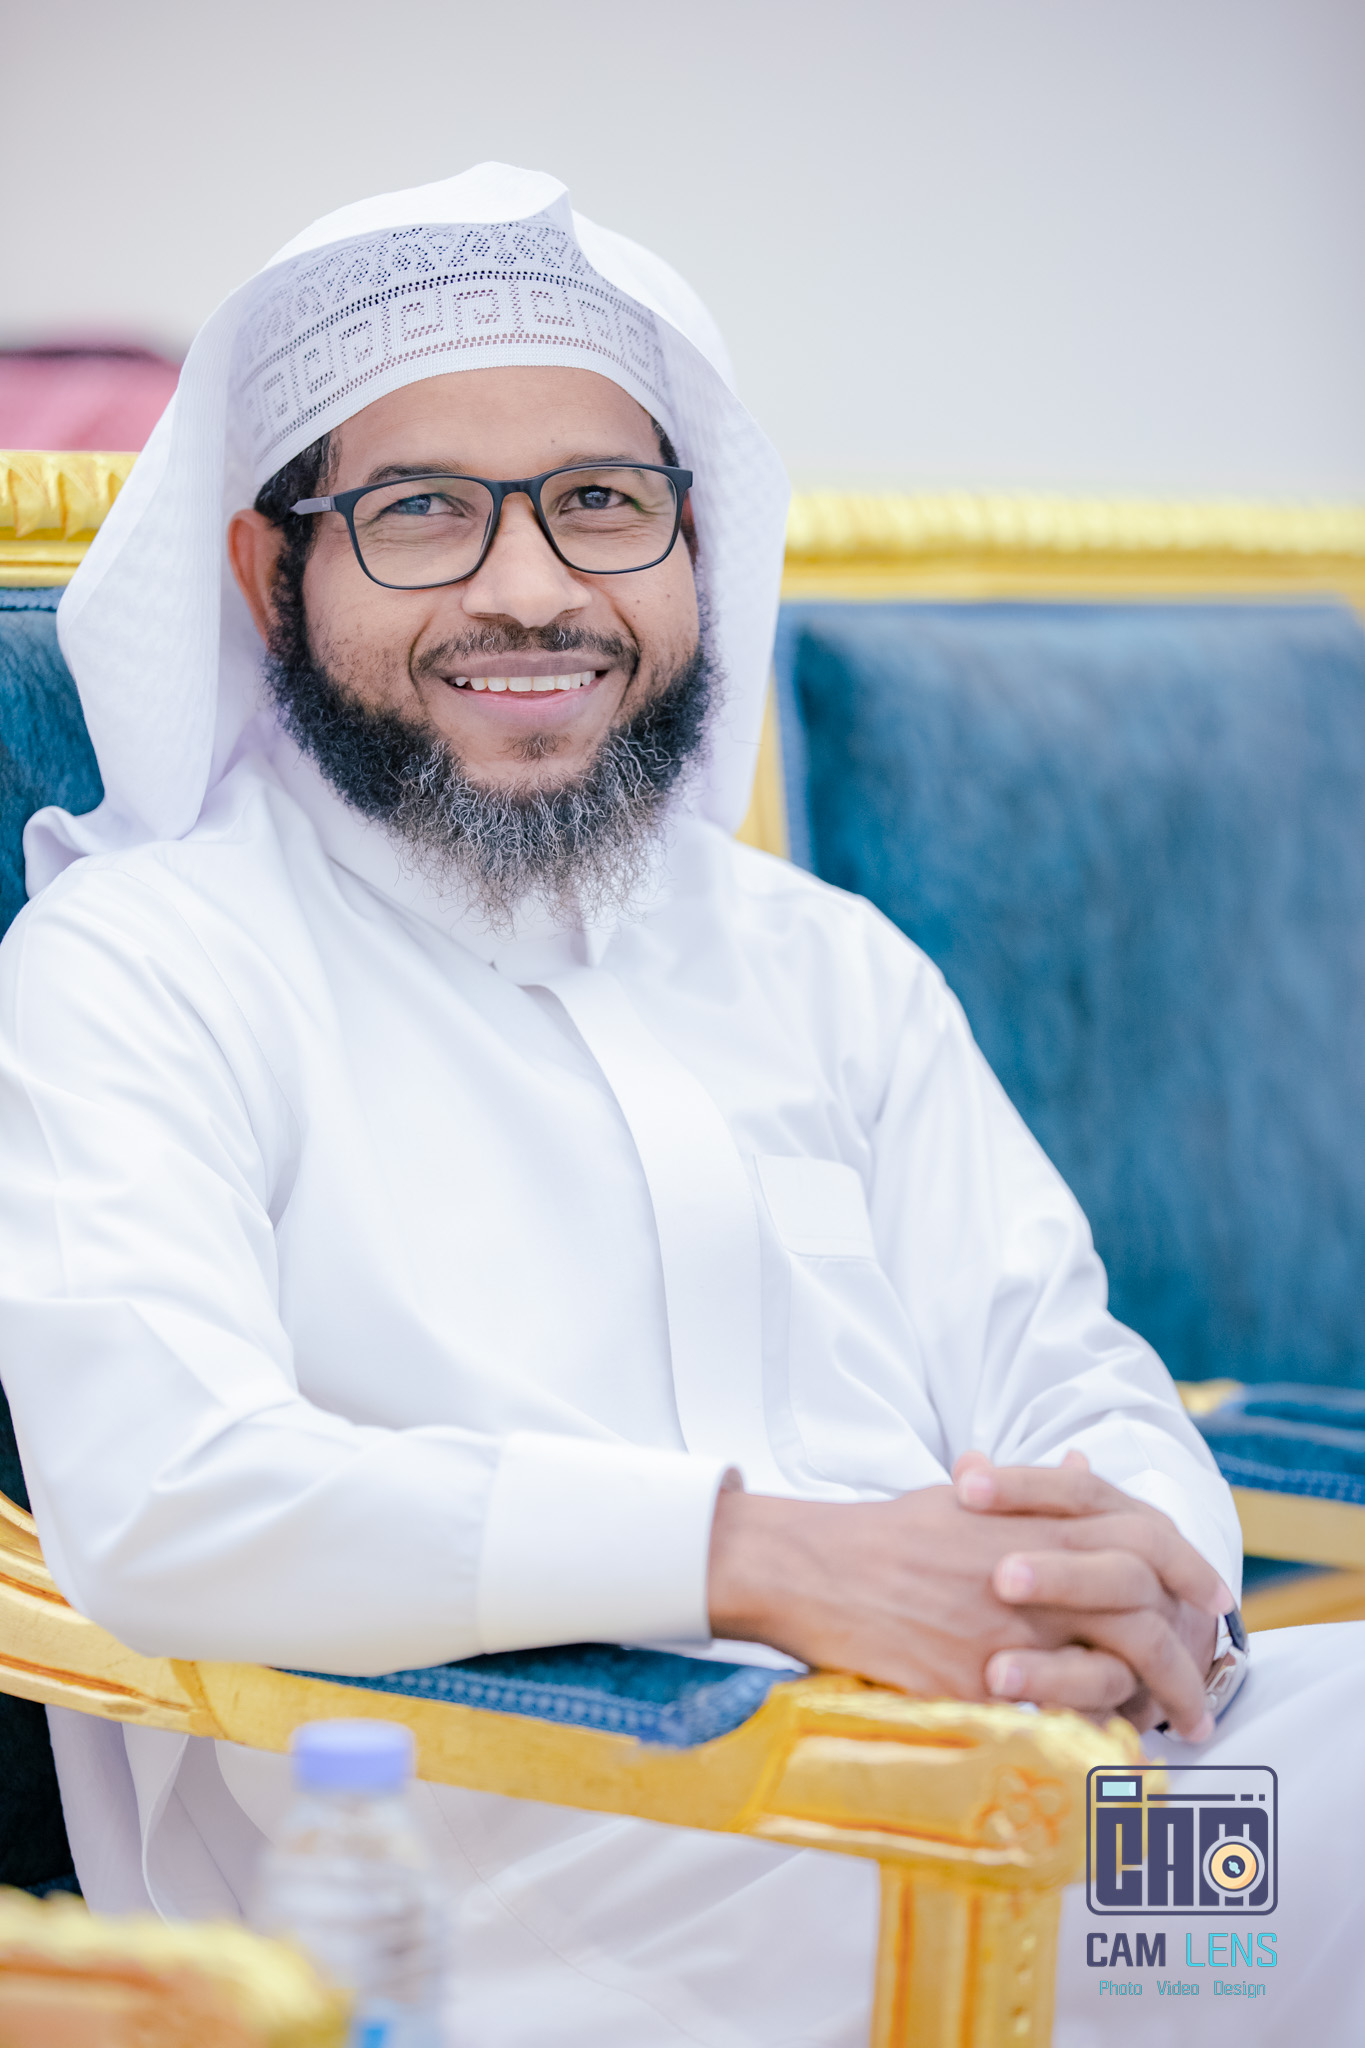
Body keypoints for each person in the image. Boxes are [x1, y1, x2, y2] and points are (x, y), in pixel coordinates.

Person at [0, 164, 1359, 2046]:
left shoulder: (818, 956)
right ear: (267, 572)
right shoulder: (144, 962)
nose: (530, 586)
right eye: (419, 512)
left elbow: (1065, 1368)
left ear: (688, 546)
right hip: (574, 1882)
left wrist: (1130, 1583)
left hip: (1031, 1795)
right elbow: (173, 1496)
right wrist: (758, 1557)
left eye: (600, 502)